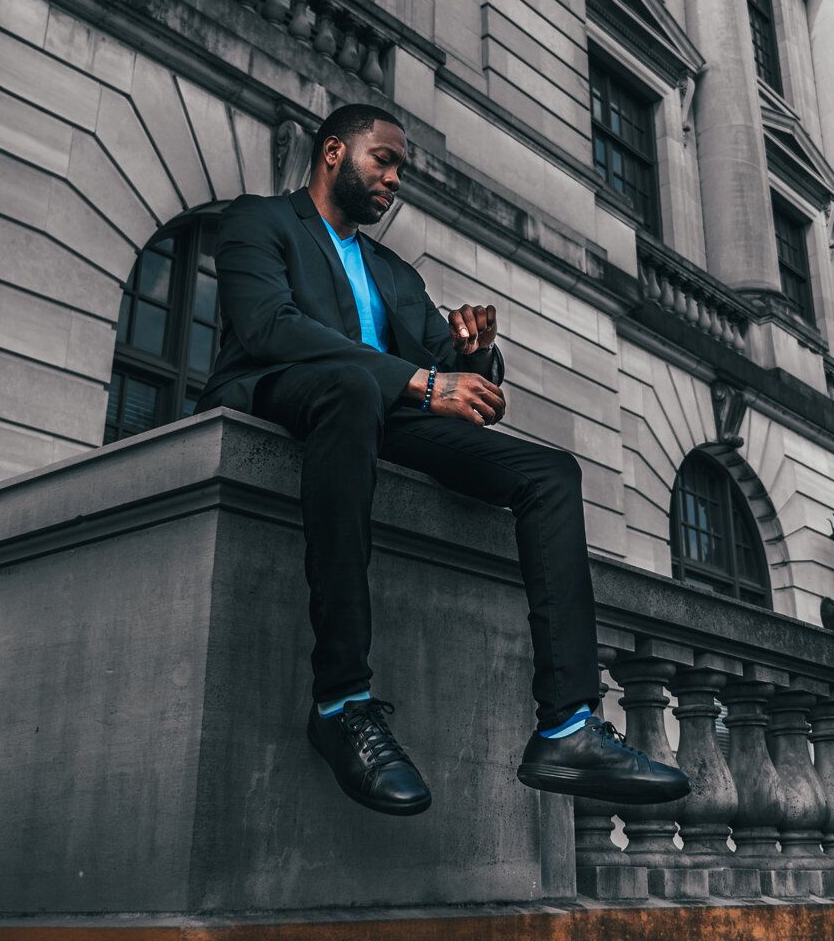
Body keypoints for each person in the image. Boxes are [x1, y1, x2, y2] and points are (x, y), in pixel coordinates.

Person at [194, 102, 689, 816]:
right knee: (354, 386)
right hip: (283, 393)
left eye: (402, 168)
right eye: (384, 161)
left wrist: (471, 352)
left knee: (551, 475)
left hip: (376, 415)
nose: (396, 179)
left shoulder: (393, 271)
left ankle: (567, 728)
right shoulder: (259, 221)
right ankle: (341, 702)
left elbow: (442, 362)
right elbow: (269, 326)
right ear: (333, 153)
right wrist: (427, 381)